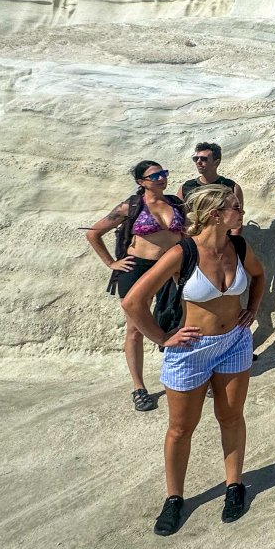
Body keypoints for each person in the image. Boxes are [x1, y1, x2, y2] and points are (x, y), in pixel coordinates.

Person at [123, 185, 265, 536]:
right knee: (181, 428)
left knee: (231, 417)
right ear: (216, 214)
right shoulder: (182, 252)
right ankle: (174, 498)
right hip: (191, 351)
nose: (241, 212)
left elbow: (259, 276)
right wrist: (162, 338)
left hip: (234, 342)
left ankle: (234, 486)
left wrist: (252, 310)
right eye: (235, 207)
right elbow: (133, 302)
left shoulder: (239, 246)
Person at [86, 161, 185, 412]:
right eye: (155, 176)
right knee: (135, 329)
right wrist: (112, 262)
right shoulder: (129, 207)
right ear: (141, 182)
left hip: (172, 267)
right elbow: (93, 234)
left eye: (164, 173)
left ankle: (189, 372)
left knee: (187, 320)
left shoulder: (175, 203)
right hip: (138, 267)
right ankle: (139, 387)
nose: (162, 178)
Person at [178, 142, 243, 233]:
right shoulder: (185, 188)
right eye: (196, 159)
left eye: (204, 159)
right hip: (194, 240)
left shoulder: (232, 187)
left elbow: (237, 220)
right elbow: (179, 219)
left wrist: (232, 243)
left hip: (222, 239)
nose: (198, 162)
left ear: (216, 162)